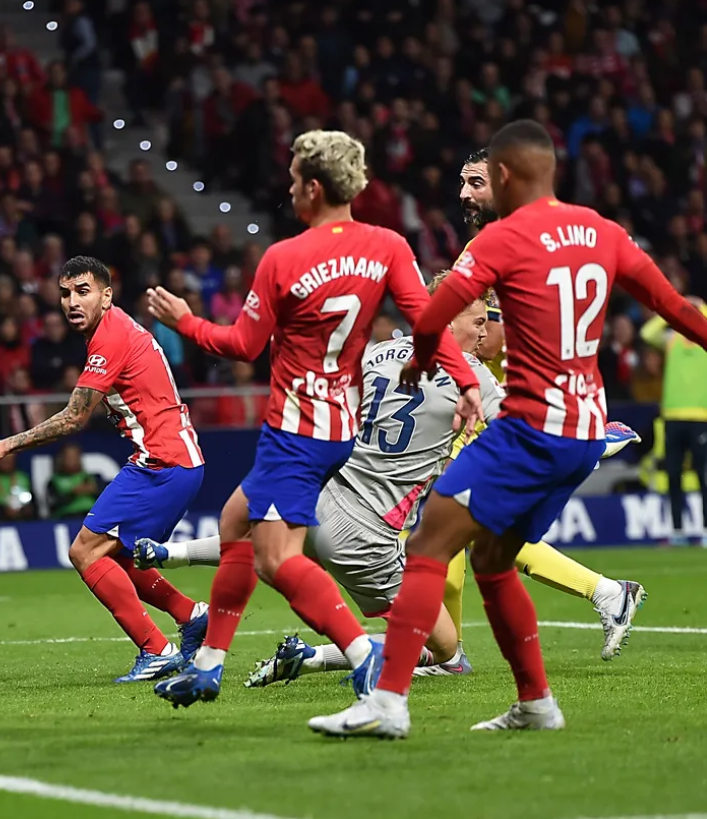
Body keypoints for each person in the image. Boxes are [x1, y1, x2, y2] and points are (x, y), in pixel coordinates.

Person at [309, 120, 707, 739]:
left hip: (526, 428)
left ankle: (387, 704)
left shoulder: (503, 240)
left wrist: (416, 365)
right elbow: (677, 310)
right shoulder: (603, 233)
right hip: (579, 429)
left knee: (427, 548)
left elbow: (435, 312)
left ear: (506, 174)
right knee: (492, 559)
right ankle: (536, 703)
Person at [144, 130, 484, 707]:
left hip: (295, 429)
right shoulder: (388, 246)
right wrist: (470, 382)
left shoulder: (284, 257)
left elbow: (243, 345)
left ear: (315, 186)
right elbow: (428, 322)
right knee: (235, 522)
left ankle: (359, 649)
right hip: (337, 427)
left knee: (277, 559)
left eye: (297, 178)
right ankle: (209, 663)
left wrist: (185, 322)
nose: (291, 188)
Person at [141, 271, 503, 682]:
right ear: (450, 317)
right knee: (446, 650)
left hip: (322, 492)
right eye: (477, 322)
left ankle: (172, 554)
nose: (483, 332)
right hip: (368, 532)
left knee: (261, 542)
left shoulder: (380, 353)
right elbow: (521, 431)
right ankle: (321, 657)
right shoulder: (475, 376)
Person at [0, 256, 209, 684]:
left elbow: (74, 418)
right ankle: (192, 617)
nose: (71, 301)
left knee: (84, 551)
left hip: (162, 463)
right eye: (65, 293)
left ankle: (156, 649)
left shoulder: (110, 336)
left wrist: (6, 445)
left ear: (106, 295)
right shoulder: (116, 328)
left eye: (83, 291)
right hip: (174, 461)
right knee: (117, 556)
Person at [450, 148, 646, 663]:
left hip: (503, 412)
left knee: (455, 524)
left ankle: (445, 652)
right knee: (476, 531)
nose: (463, 194)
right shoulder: (557, 237)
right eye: (462, 182)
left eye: (474, 182)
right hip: (518, 404)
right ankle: (607, 593)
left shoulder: (492, 245)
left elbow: (486, 336)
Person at [640, 295, 707, 546]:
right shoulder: (672, 339)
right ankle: (677, 530)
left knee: (704, 477)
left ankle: (705, 530)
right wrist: (676, 306)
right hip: (672, 417)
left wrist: (700, 306)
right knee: (673, 475)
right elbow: (647, 333)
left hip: (701, 417)